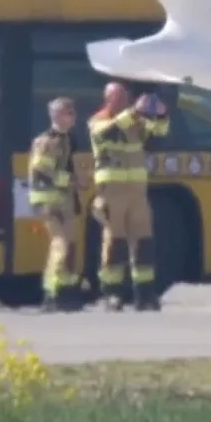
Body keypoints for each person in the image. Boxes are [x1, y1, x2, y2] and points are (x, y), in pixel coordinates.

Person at [88, 82, 170, 311]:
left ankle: (145, 294)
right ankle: (111, 294)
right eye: (119, 97)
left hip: (137, 191)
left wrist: (161, 113)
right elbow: (109, 132)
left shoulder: (135, 121)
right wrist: (135, 111)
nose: (125, 101)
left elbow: (159, 131)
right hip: (111, 191)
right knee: (115, 242)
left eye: (126, 97)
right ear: (108, 99)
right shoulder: (98, 121)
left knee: (144, 241)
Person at [28, 96, 84, 313]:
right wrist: (70, 180)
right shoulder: (46, 141)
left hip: (64, 199)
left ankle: (67, 293)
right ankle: (51, 293)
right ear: (58, 116)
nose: (74, 117)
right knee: (60, 244)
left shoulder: (67, 139)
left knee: (70, 244)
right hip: (49, 201)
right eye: (70, 113)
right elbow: (41, 169)